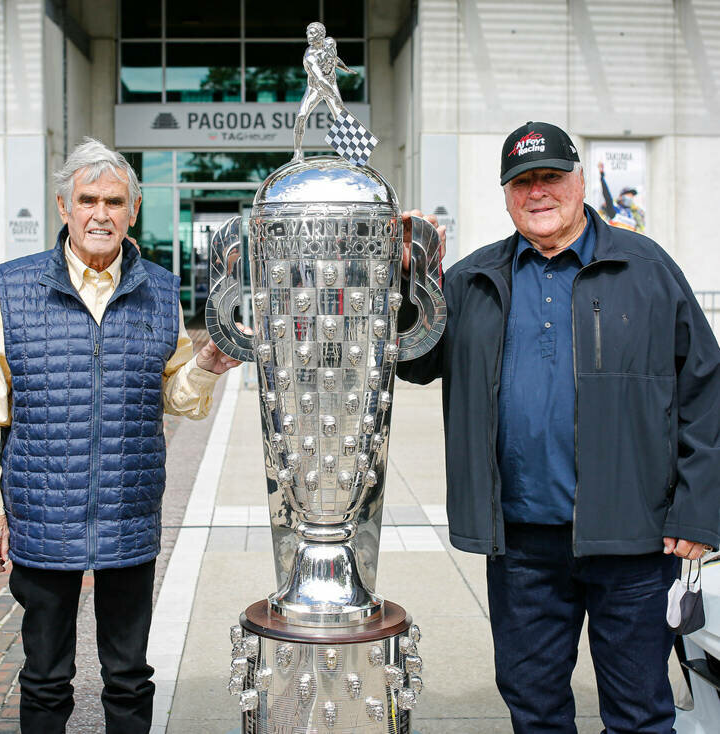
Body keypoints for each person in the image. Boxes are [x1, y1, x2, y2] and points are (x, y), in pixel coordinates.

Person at [397, 120, 720, 733]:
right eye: (522, 182)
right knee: (535, 711)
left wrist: (699, 514)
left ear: (579, 181)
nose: (537, 193)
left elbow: (707, 394)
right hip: (522, 546)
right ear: (506, 193)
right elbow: (412, 360)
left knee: (640, 715)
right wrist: (410, 278)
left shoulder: (646, 269)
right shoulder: (470, 281)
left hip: (634, 540)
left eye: (550, 177)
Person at [0, 138, 243, 733]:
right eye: (86, 199)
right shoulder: (12, 289)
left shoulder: (162, 293)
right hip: (43, 517)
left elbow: (174, 396)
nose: (100, 214)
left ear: (133, 211)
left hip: (128, 514)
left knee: (129, 676)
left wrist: (208, 366)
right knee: (44, 676)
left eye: (114, 201)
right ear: (63, 206)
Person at [291, 21, 358, 160]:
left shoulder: (331, 42)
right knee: (301, 116)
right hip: (315, 87)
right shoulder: (309, 56)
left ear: (321, 34)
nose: (308, 36)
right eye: (307, 33)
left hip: (331, 83)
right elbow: (320, 79)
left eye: (312, 33)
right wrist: (335, 97)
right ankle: (297, 152)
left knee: (340, 117)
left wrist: (345, 68)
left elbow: (333, 58)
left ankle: (347, 152)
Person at [597, 160, 646, 232]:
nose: (630, 198)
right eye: (628, 195)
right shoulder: (615, 210)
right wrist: (602, 176)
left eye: (631, 196)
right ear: (621, 197)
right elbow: (607, 196)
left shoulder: (634, 214)